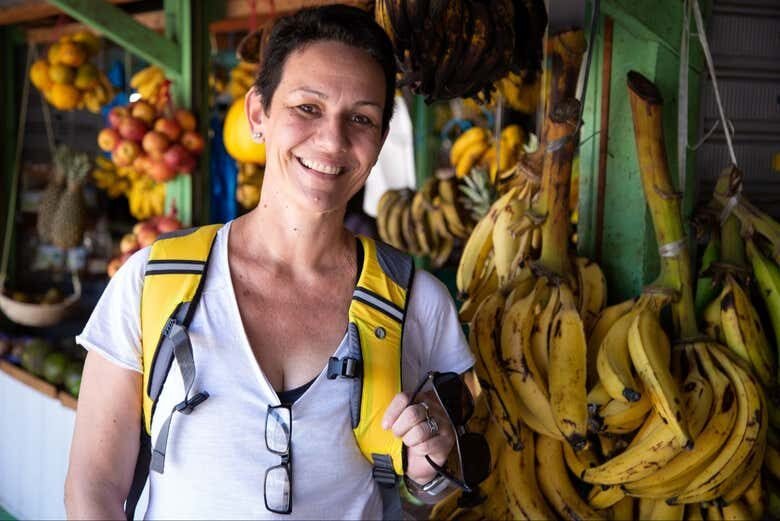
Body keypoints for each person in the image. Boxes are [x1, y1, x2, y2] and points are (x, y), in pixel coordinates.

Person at [64, 5, 476, 520]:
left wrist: (427, 470)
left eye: (361, 118)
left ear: (378, 139)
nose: (332, 141)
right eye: (307, 108)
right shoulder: (153, 282)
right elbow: (94, 487)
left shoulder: (419, 303)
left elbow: (430, 489)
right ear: (258, 114)